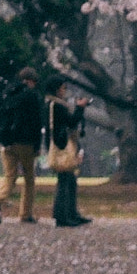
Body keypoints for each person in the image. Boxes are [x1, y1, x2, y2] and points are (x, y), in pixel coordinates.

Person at [0, 68, 46, 225]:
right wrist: (37, 144)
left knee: (10, 175)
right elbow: (36, 122)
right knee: (29, 178)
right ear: (29, 81)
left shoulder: (7, 94)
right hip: (25, 141)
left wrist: (3, 138)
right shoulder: (31, 96)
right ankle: (25, 214)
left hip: (7, 141)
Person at [44, 75, 93, 228]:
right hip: (62, 145)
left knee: (69, 180)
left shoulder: (49, 104)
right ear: (57, 89)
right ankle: (63, 215)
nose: (65, 91)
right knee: (65, 181)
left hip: (58, 143)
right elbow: (71, 122)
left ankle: (71, 213)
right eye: (63, 88)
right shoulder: (57, 105)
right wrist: (80, 108)